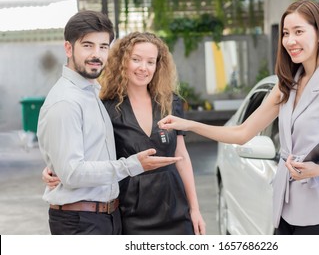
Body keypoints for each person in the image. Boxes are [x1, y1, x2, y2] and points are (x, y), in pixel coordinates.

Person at [158, 0, 319, 235]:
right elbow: (242, 133)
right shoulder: (287, 84)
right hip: (284, 209)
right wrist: (189, 124)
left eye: (299, 32)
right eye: (286, 33)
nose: (290, 41)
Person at [43, 31, 206, 235]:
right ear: (123, 62)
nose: (143, 68)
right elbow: (82, 149)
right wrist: (52, 168)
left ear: (158, 66)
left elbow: (182, 158)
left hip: (175, 206)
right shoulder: (106, 107)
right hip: (130, 212)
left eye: (150, 62)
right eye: (136, 60)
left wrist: (195, 209)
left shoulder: (170, 102)